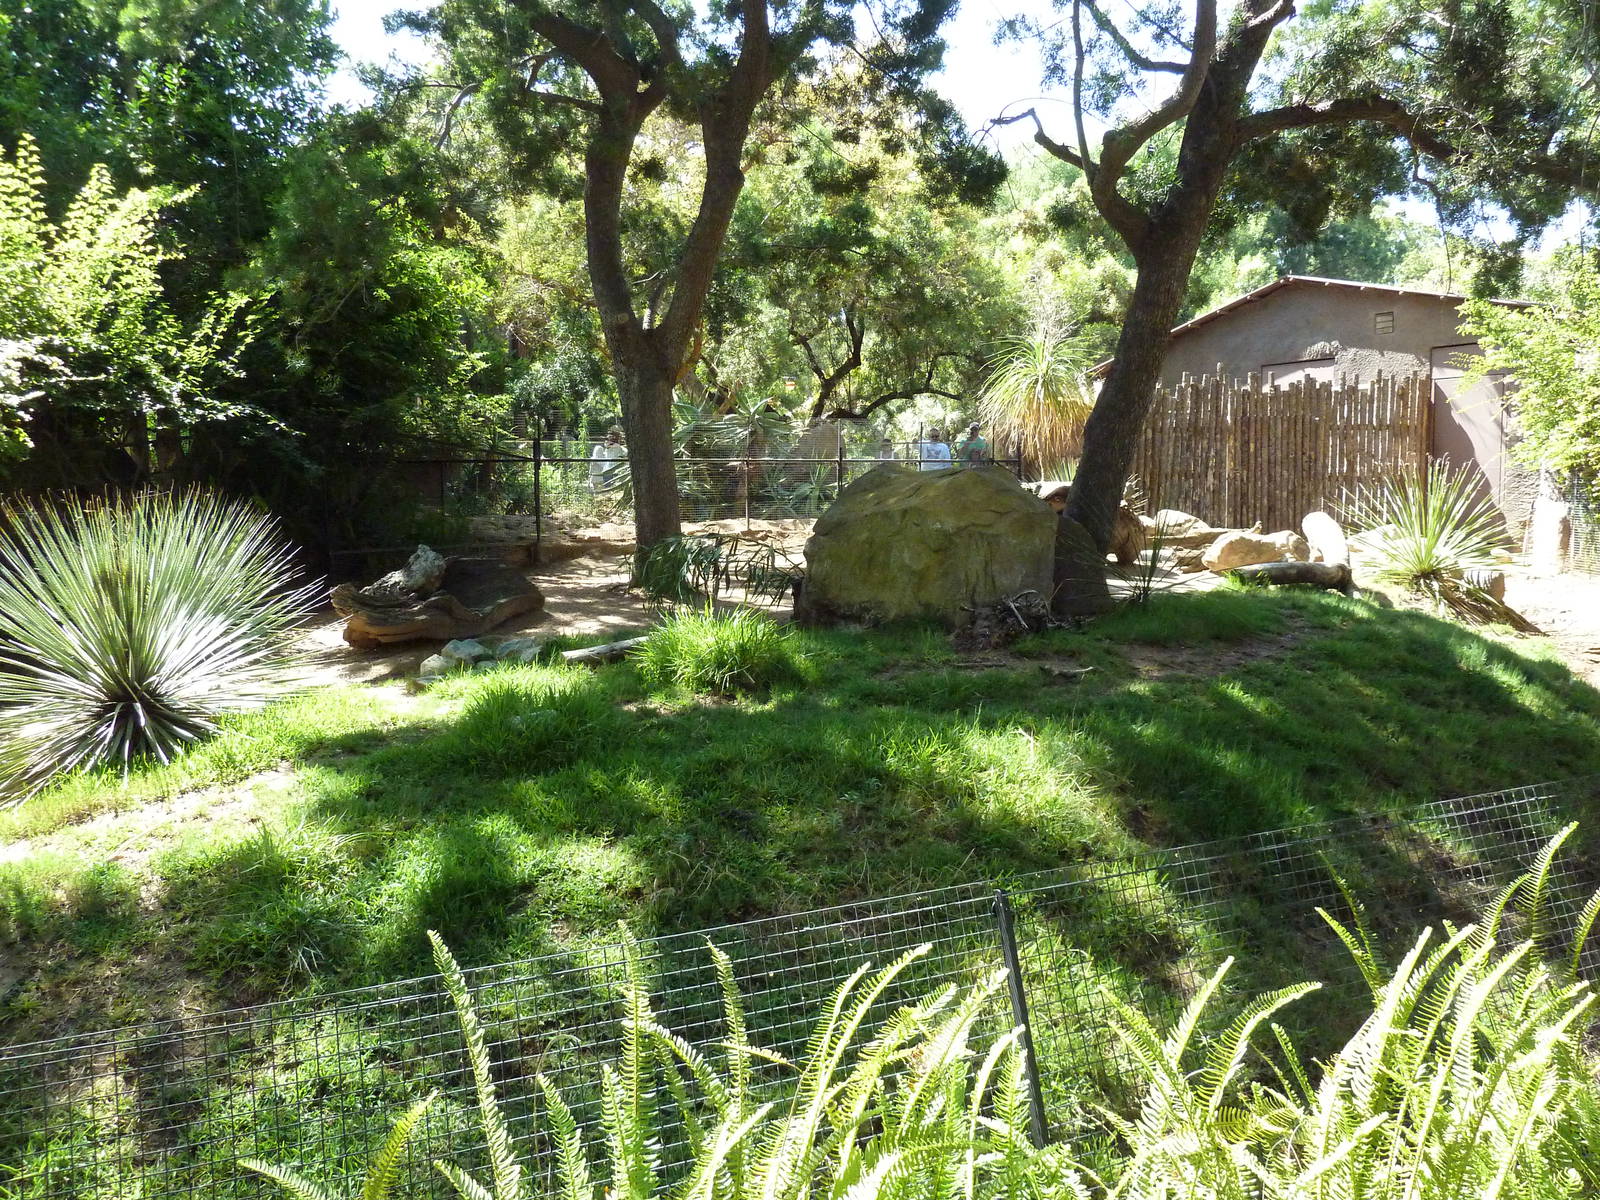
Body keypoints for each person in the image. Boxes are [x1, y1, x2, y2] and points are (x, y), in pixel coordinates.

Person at [589, 426, 627, 491]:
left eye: (612, 436)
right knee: (597, 450)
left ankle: (593, 482)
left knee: (594, 460)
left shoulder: (619, 446)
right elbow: (606, 447)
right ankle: (593, 482)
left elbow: (625, 452)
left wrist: (616, 446)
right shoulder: (608, 443)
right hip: (605, 463)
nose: (610, 437)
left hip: (612, 465)